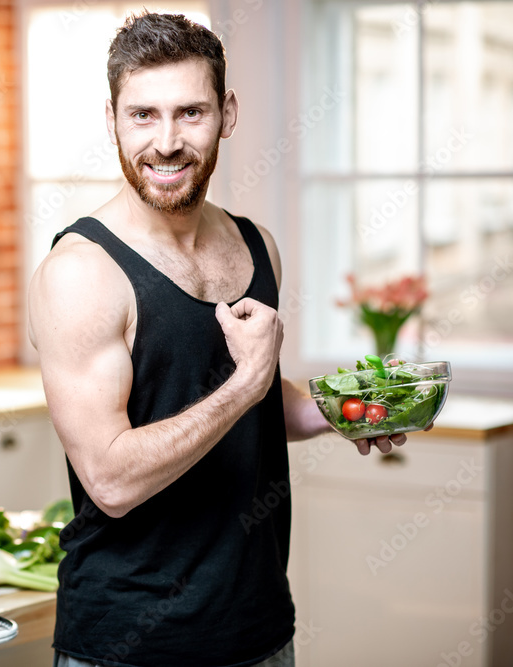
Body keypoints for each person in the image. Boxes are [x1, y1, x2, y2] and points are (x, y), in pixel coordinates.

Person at [27, 12, 412, 667]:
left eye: (190, 113)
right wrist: (245, 385)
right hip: (129, 645)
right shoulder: (82, 273)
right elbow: (111, 479)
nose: (167, 141)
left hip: (261, 630)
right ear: (112, 118)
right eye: (143, 115)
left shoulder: (256, 244)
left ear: (227, 113)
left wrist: (342, 408)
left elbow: (253, 397)